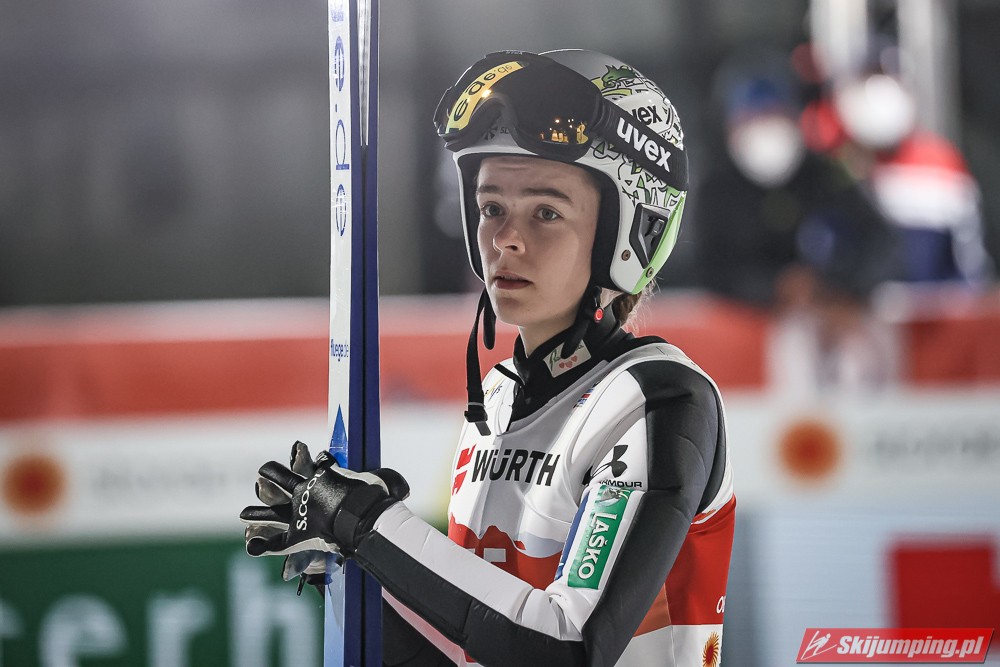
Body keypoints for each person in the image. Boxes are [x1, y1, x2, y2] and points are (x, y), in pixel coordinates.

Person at [241, 49, 735, 666]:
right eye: (491, 207)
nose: (505, 238)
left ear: (631, 232)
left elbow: (569, 647)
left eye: (546, 212)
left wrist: (370, 525)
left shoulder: (657, 397)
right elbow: (470, 652)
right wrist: (351, 563)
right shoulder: (497, 400)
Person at [693, 51, 901, 393]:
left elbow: (885, 244)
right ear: (730, 126)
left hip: (846, 325)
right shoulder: (717, 191)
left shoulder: (828, 176)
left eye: (774, 116)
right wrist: (775, 289)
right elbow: (708, 267)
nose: (765, 129)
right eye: (753, 118)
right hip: (753, 356)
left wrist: (842, 291)